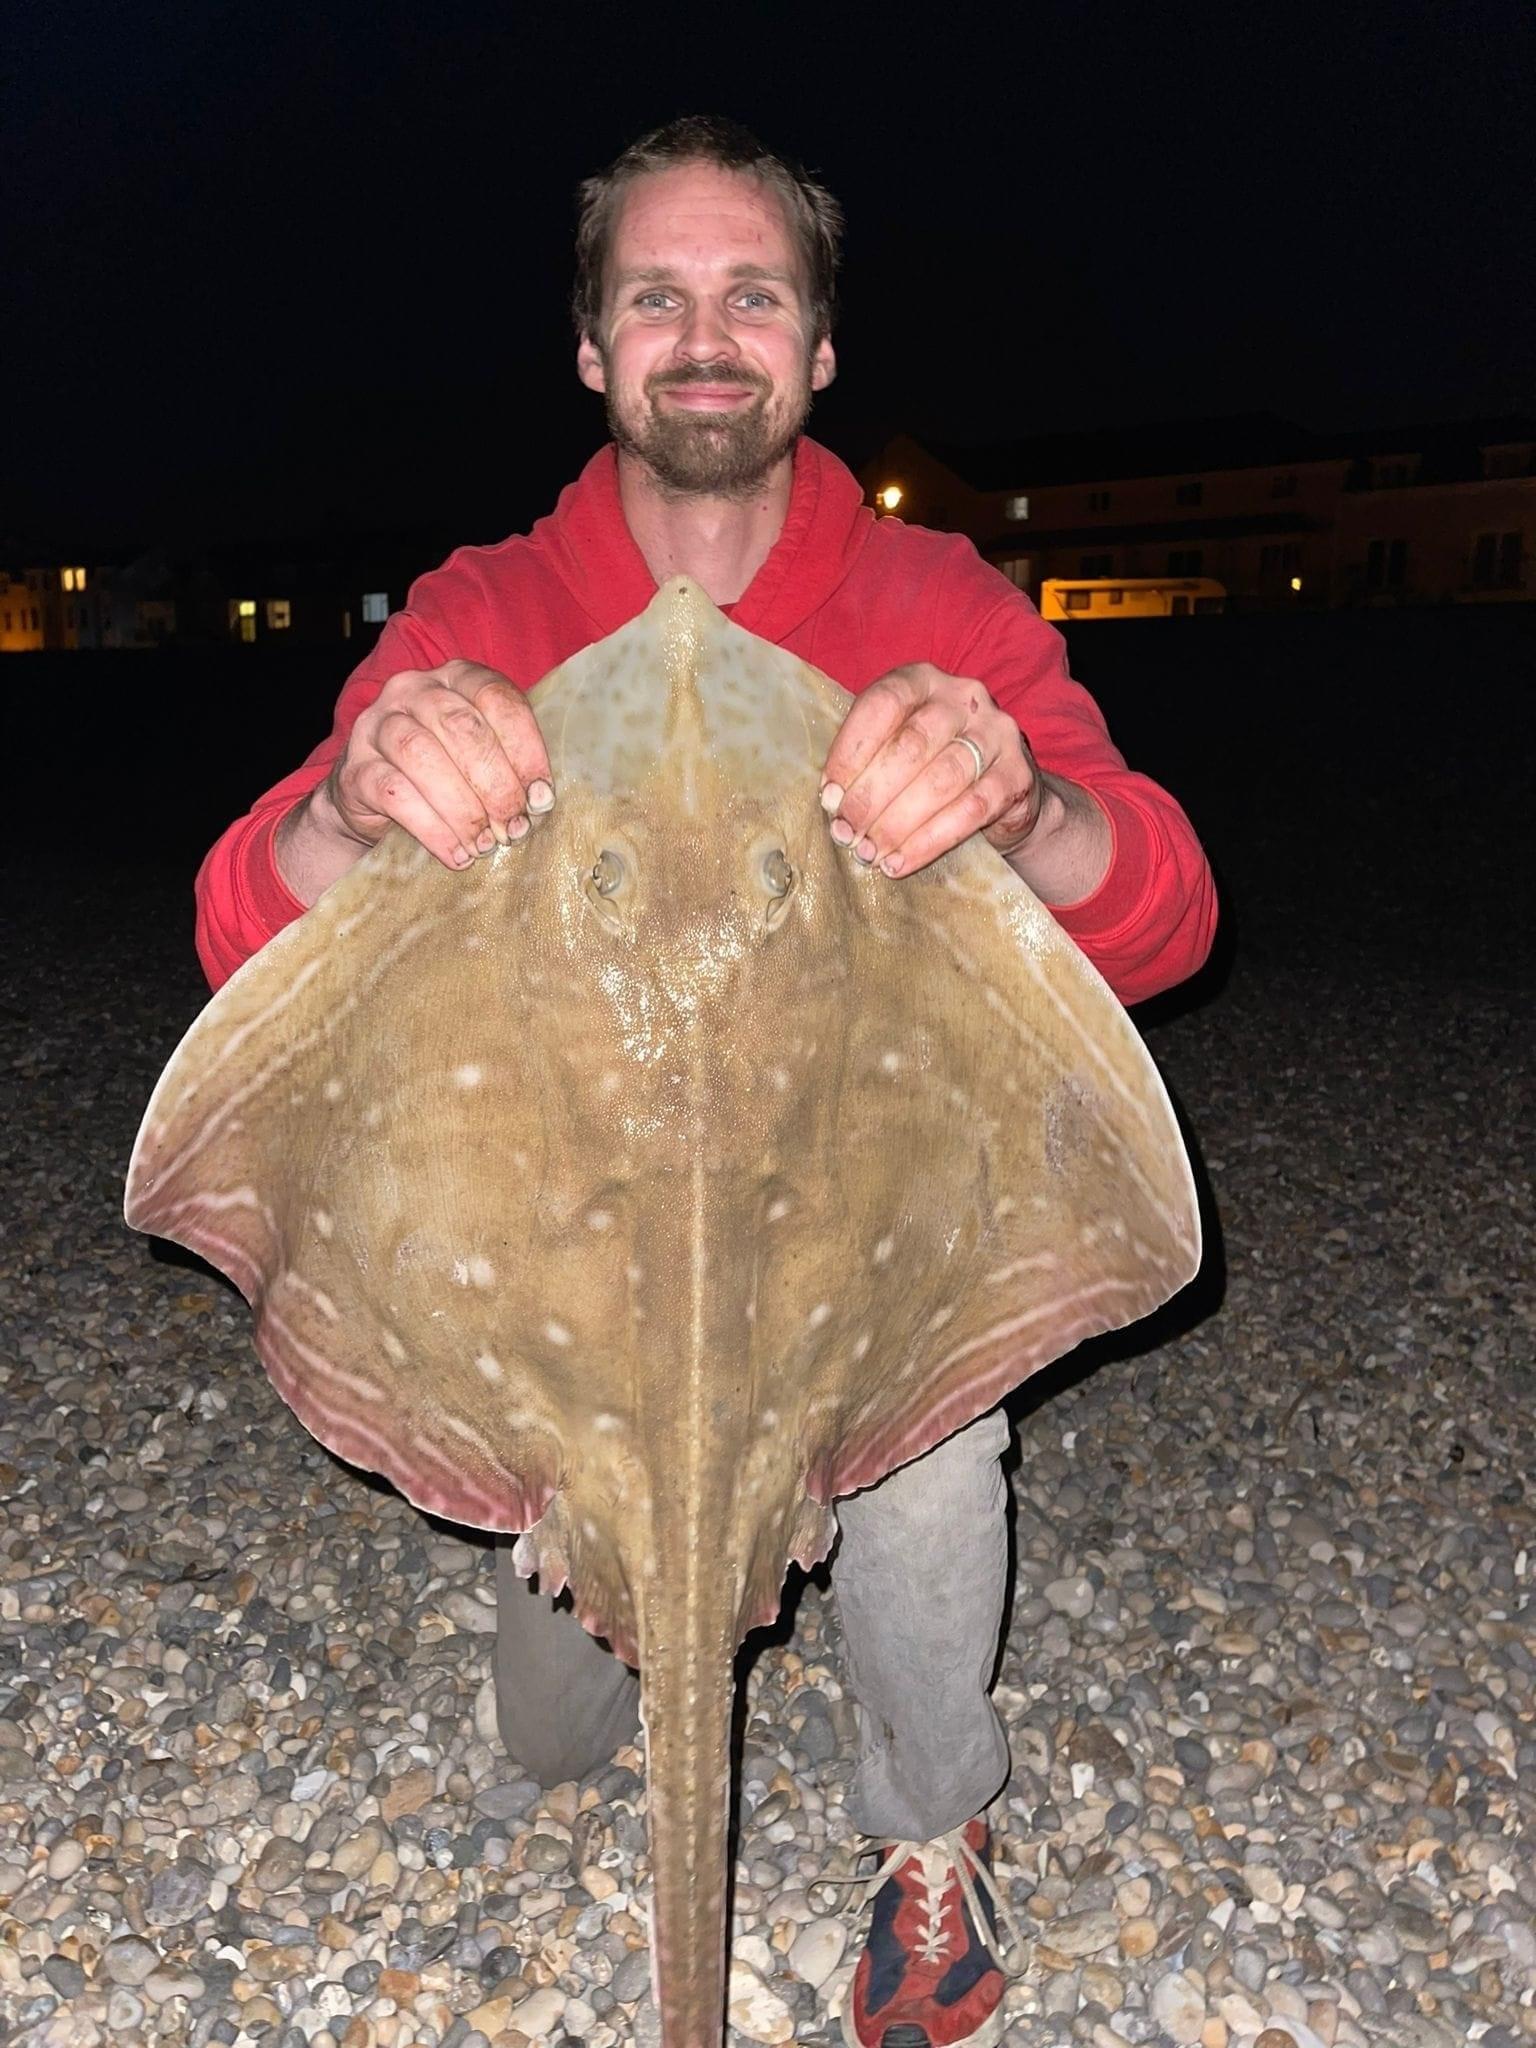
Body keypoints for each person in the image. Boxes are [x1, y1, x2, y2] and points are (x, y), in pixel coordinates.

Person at [197, 115, 1216, 2048]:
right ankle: (572, 1582)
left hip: (850, 1211)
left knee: (931, 1452)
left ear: (822, 347)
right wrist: (354, 796)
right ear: (591, 350)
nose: (706, 335)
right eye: (655, 296)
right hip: (569, 1253)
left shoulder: (941, 609)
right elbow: (248, 937)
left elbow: (1164, 914)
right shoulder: (486, 611)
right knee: (559, 1720)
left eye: (755, 294)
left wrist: (1026, 802)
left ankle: (934, 1825)